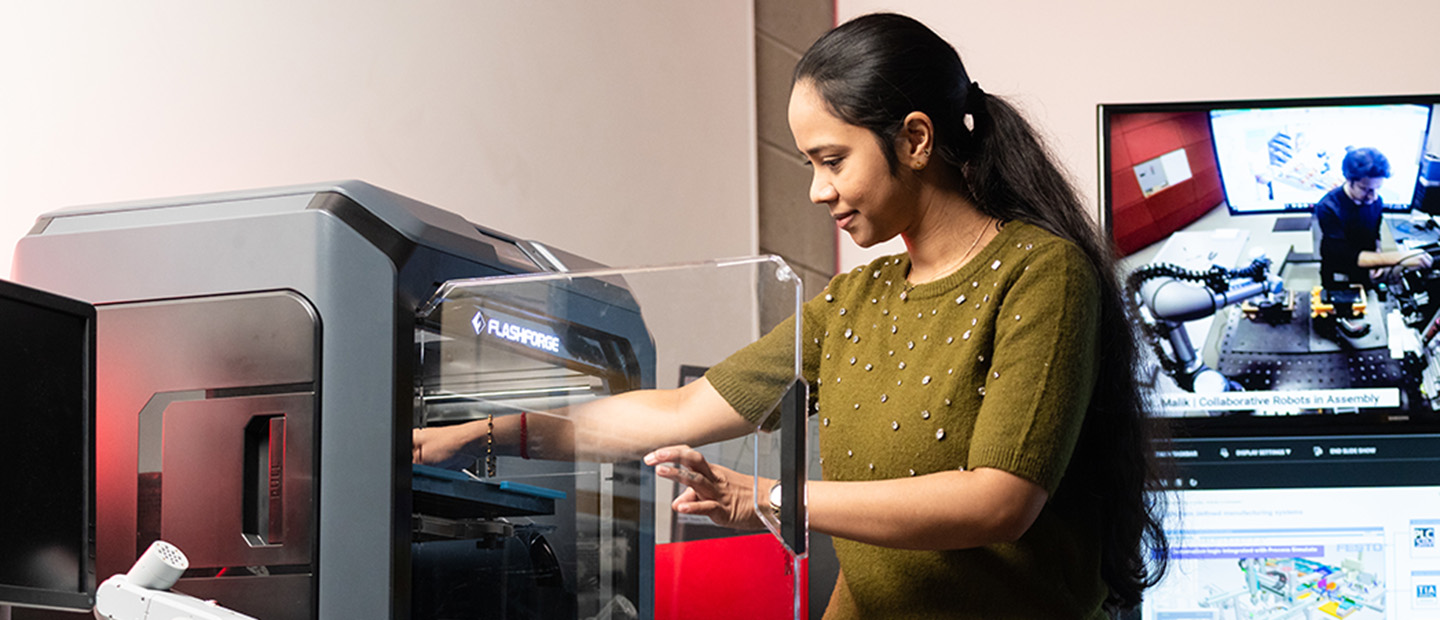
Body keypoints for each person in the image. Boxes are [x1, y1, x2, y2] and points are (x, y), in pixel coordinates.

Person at [414, 12, 1168, 618]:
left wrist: (769, 497)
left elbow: (997, 501)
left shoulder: (1042, 273)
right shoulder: (854, 302)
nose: (816, 190)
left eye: (832, 160)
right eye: (808, 164)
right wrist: (481, 434)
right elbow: (677, 410)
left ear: (914, 138)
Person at [1315, 146, 1433, 288]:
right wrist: (1399, 257)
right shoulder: (1328, 207)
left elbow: (1375, 235)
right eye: (1366, 189)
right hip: (1339, 272)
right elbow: (1345, 255)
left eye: (1377, 188)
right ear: (1348, 179)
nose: (1373, 197)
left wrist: (1378, 258)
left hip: (1366, 268)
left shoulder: (1376, 200)